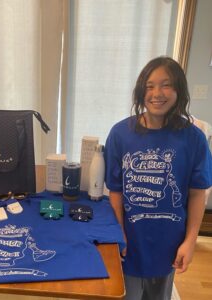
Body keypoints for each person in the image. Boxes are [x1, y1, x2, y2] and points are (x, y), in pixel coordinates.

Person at [104, 56, 212, 300]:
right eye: (150, 86)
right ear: (141, 90)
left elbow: (197, 193)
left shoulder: (193, 138)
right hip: (130, 242)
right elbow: (116, 192)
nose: (157, 93)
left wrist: (191, 241)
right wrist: (118, 233)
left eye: (166, 84)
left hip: (169, 242)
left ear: (179, 91)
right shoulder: (120, 134)